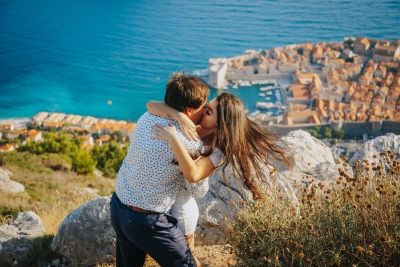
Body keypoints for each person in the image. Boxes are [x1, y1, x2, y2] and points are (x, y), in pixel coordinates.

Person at [110, 73, 210, 267]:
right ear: (189, 111)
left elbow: (152, 104)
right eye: (204, 106)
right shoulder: (189, 142)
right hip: (146, 221)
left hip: (118, 207)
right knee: (188, 265)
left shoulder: (147, 116)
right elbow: (198, 190)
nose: (206, 110)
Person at [150, 92, 292, 202]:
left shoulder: (217, 151)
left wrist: (174, 138)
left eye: (209, 111)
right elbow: (151, 105)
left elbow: (193, 176)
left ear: (220, 123)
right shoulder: (189, 123)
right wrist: (179, 116)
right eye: (206, 106)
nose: (203, 110)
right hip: (160, 197)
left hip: (182, 204)